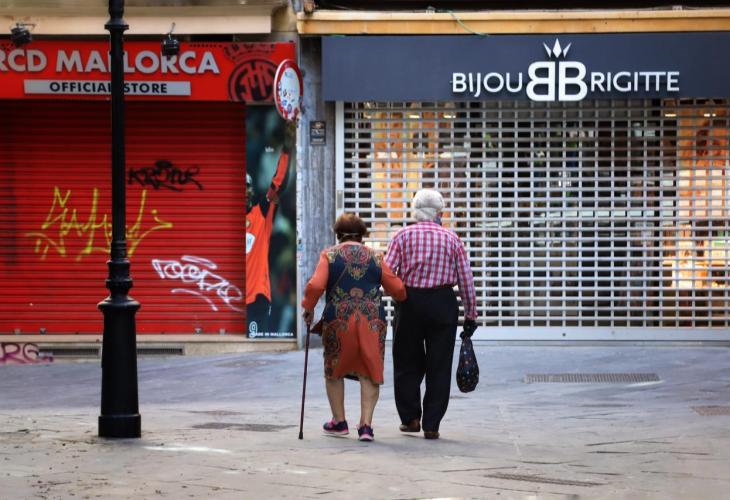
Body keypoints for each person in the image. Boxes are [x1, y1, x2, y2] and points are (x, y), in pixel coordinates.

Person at [302, 213, 406, 442]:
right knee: (370, 370)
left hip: (338, 320)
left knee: (334, 369)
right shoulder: (376, 257)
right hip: (371, 321)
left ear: (338, 234)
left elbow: (316, 285)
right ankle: (366, 426)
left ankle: (339, 422)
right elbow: (398, 289)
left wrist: (308, 308)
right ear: (362, 236)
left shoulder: (329, 255)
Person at [385, 189, 477, 440]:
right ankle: (432, 424)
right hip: (442, 303)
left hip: (409, 302)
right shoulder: (452, 238)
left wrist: (397, 295)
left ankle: (411, 418)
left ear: (415, 211)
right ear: (439, 213)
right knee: (440, 363)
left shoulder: (402, 236)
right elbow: (466, 279)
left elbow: (387, 273)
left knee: (406, 361)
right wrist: (471, 313)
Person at [246, 122, 295, 337]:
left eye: (248, 186)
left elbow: (278, 184)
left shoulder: (261, 213)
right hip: (232, 295)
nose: (244, 191)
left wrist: (286, 149)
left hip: (257, 295)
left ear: (251, 191)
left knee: (257, 349)